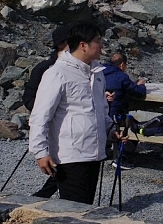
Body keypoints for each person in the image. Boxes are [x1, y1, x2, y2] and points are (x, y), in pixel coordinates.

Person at [29, 22, 123, 204]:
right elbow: (40, 116)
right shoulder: (57, 73)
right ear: (83, 45)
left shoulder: (97, 73)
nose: (101, 45)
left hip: (94, 154)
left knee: (85, 207)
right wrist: (40, 152)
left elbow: (102, 111)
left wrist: (111, 131)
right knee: (73, 211)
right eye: (97, 41)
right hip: (70, 154)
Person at [22, 26, 69, 198]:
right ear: (63, 44)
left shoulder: (81, 67)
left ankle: (44, 196)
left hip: (71, 131)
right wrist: (50, 109)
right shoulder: (44, 68)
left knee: (66, 166)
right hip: (51, 127)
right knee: (61, 166)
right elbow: (28, 98)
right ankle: (43, 197)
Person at [102, 52, 147, 170]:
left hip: (100, 114)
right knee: (132, 124)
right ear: (122, 65)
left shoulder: (99, 72)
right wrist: (141, 85)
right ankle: (122, 158)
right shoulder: (121, 76)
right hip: (115, 116)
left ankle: (106, 149)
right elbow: (138, 92)